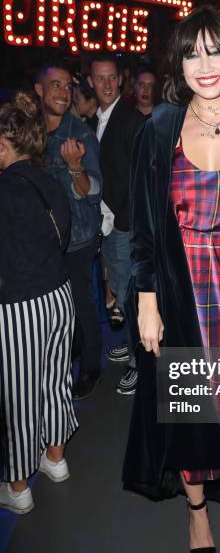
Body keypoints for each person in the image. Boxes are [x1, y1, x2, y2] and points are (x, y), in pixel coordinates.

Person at [123, 6, 220, 553]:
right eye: (192, 52)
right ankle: (196, 510)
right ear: (178, 63)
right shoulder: (159, 127)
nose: (205, 64)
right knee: (189, 405)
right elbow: (141, 224)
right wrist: (146, 300)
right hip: (181, 287)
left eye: (216, 50)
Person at [0, 93, 77, 514]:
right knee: (54, 382)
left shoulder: (7, 190)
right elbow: (63, 236)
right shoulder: (49, 178)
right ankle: (55, 459)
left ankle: (17, 487)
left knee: (19, 395)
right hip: (58, 294)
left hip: (19, 304)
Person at [35, 62, 103, 401]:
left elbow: (94, 191)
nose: (62, 92)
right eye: (55, 85)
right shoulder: (27, 132)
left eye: (66, 86)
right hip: (39, 238)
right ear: (39, 91)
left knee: (79, 302)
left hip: (77, 236)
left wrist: (76, 168)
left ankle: (91, 365)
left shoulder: (80, 134)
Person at [88, 53, 145, 395]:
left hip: (123, 224)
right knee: (122, 291)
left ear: (120, 80)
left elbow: (133, 179)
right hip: (111, 223)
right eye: (100, 78)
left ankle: (141, 361)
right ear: (91, 82)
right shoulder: (98, 117)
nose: (107, 84)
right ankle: (131, 341)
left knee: (129, 293)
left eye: (112, 77)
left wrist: (117, 222)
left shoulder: (129, 119)